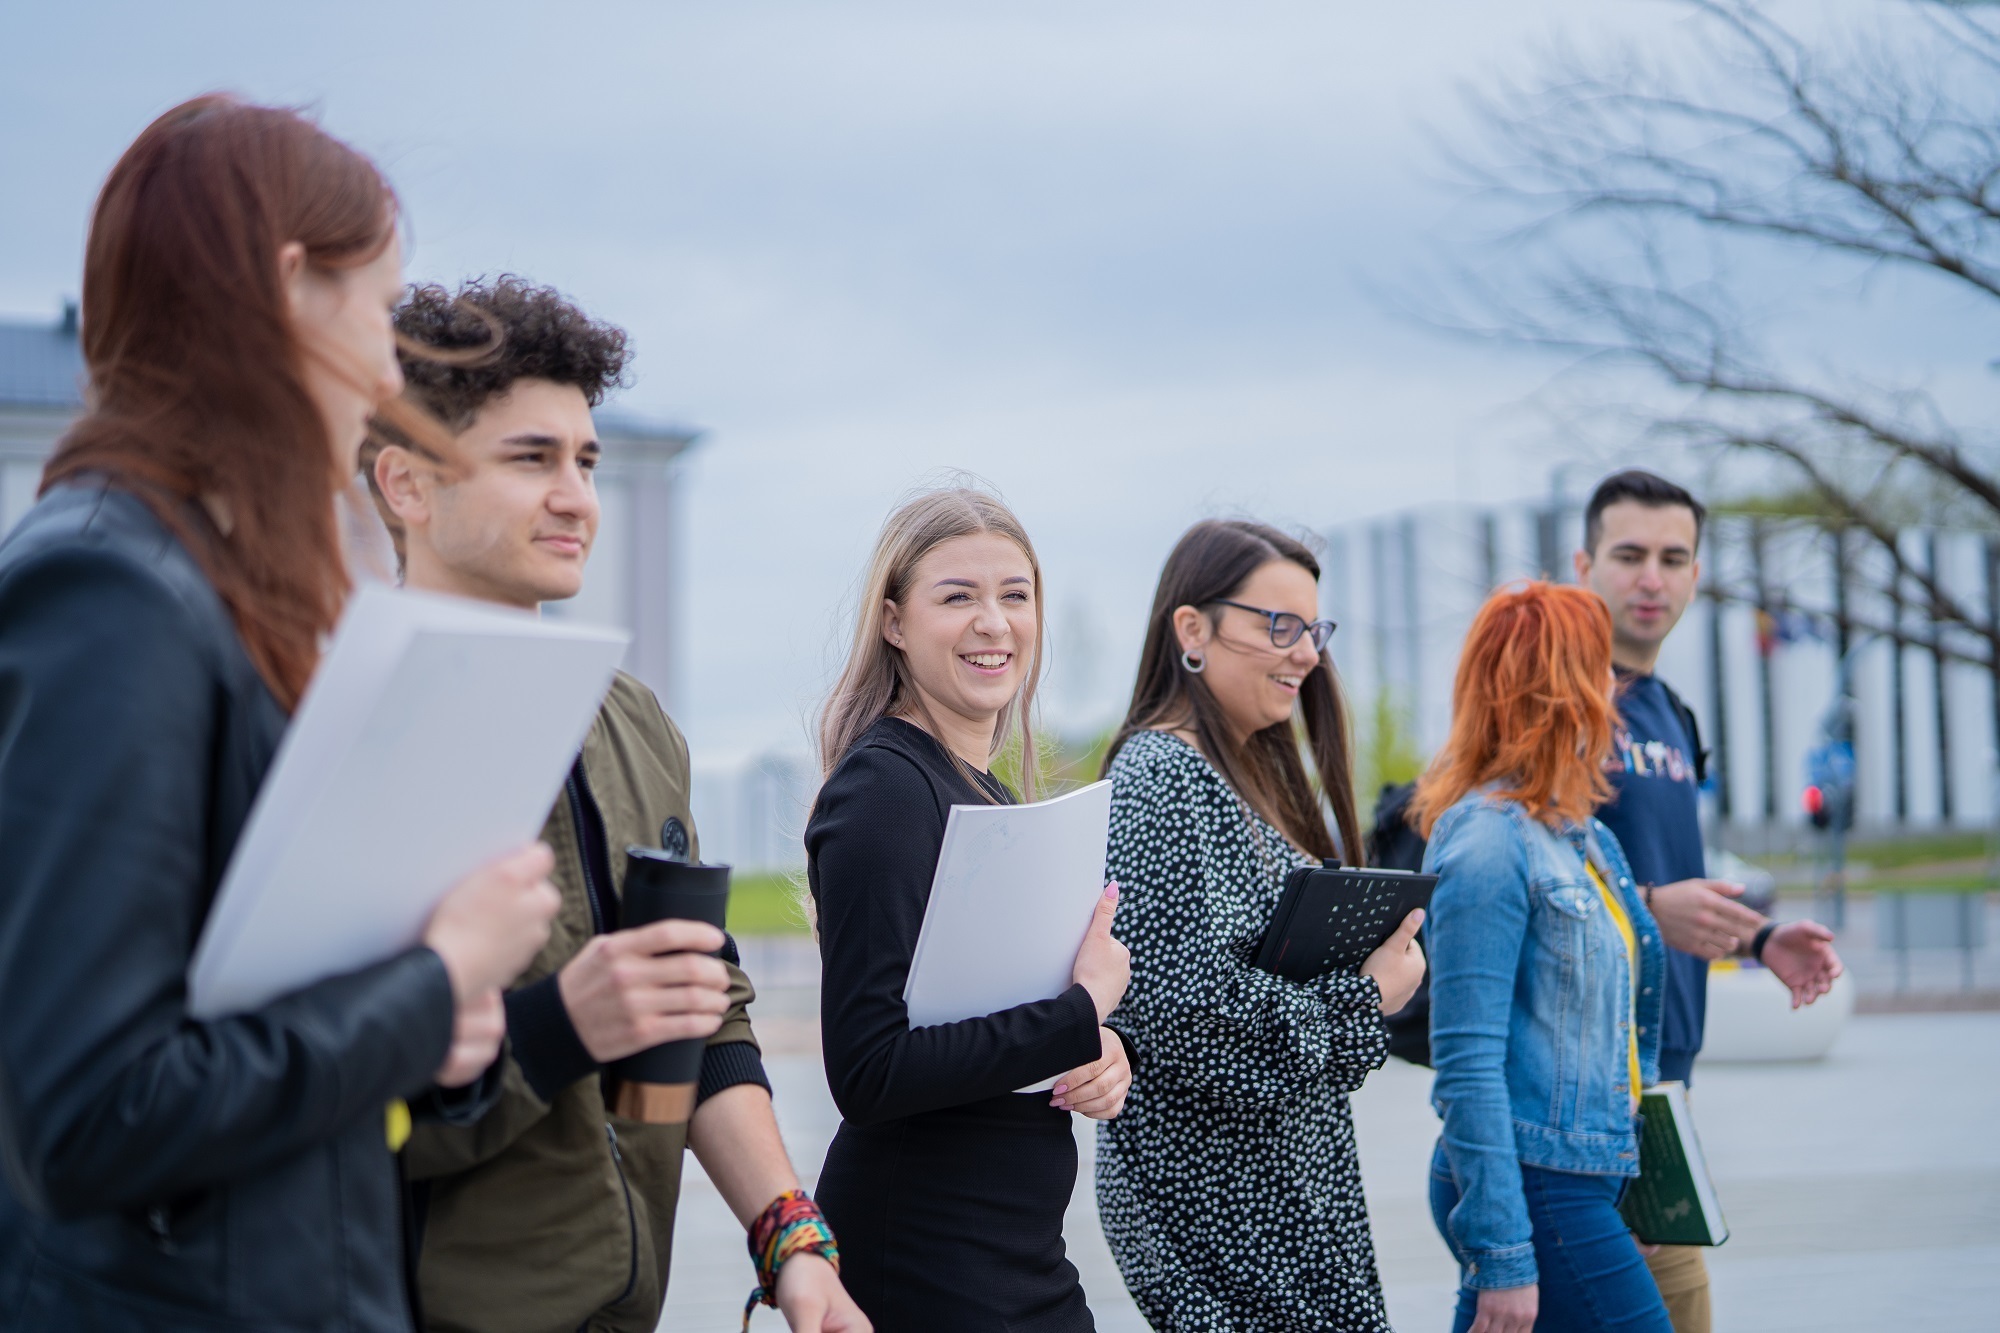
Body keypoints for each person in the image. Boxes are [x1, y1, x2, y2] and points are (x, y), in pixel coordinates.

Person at [0, 97, 559, 1332]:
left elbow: (252, 1024)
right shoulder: (109, 588)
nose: (386, 367)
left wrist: (429, 1035)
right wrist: (434, 976)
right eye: (377, 308)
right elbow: (93, 1112)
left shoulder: (208, 580)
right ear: (289, 288)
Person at [362, 277, 868, 1333]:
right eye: (529, 459)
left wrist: (792, 1241)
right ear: (404, 484)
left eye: (585, 461)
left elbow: (706, 1009)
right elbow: (312, 1097)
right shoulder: (343, 730)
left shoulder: (631, 719)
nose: (577, 497)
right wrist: (558, 1030)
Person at [805, 486, 1133, 1333]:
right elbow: (870, 1071)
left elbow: (988, 1021)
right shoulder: (884, 787)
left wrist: (1096, 1050)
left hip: (1013, 1254)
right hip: (925, 1256)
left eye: (1014, 595)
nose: (994, 621)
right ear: (894, 622)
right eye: (958, 596)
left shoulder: (981, 791)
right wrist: (1079, 1009)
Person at [1094, 519, 1426, 1333]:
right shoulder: (1161, 777)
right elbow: (1192, 1023)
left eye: (1314, 629)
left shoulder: (1240, 774)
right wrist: (1365, 999)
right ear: (1192, 629)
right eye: (1278, 625)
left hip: (1282, 1212)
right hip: (1228, 1226)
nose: (1307, 653)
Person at [1572, 469, 1842, 1331]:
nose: (1652, 576)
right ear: (1584, 565)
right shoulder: (1555, 706)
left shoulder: (1669, 713)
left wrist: (1759, 937)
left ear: (1695, 575)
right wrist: (1649, 904)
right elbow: (1509, 883)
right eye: (1629, 554)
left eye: (1673, 557)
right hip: (1577, 1099)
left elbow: (1663, 876)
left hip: (1662, 1090)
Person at [1416, 581, 1670, 1333]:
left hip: (1583, 1174)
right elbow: (1465, 1061)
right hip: (1531, 1182)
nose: (1614, 688)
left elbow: (1625, 1031)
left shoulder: (1585, 836)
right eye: (1600, 668)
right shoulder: (1489, 844)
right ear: (1560, 691)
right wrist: (1504, 1253)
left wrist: (1638, 1176)